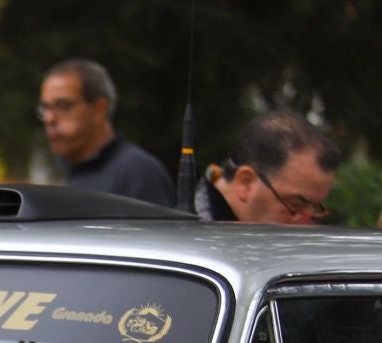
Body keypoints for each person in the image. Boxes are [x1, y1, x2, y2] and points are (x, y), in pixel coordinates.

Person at [39, 59, 174, 206]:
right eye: (45, 108)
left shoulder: (138, 174)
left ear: (99, 109)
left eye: (63, 105)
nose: (49, 119)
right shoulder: (68, 171)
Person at [196, 111, 340, 224]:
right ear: (245, 183)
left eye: (316, 208)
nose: (305, 223)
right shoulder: (188, 248)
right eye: (296, 204)